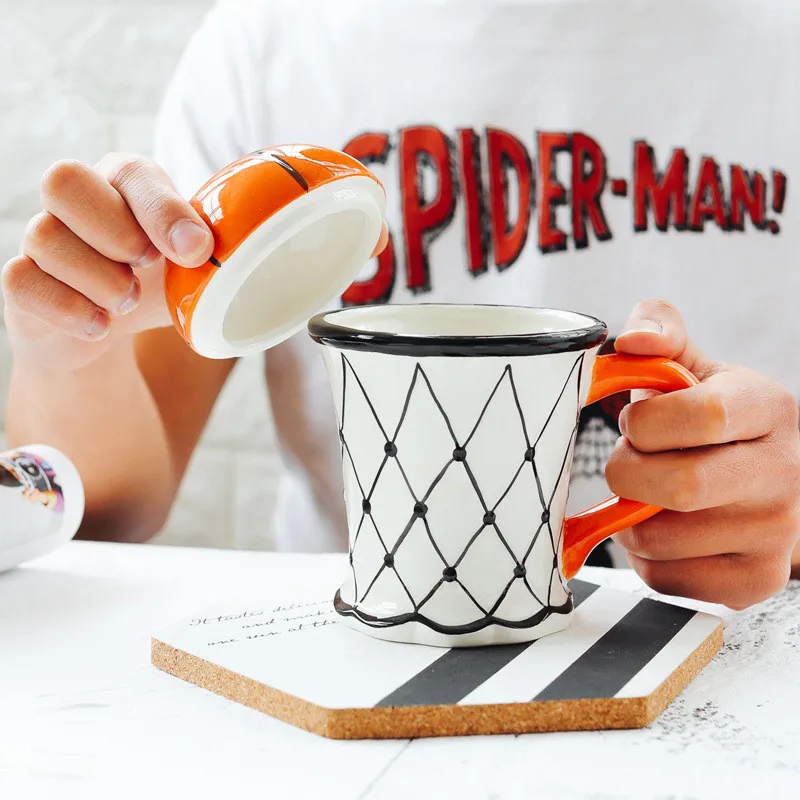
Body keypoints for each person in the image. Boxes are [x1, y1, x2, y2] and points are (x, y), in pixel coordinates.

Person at [3, 0, 799, 610]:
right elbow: (108, 515)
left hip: (732, 661)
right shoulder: (269, 42)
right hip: (361, 667)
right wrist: (73, 350)